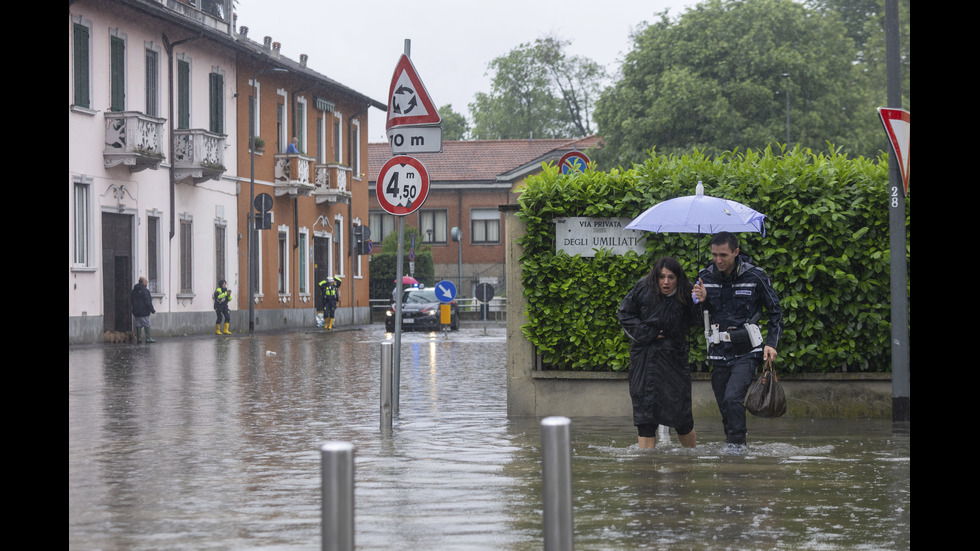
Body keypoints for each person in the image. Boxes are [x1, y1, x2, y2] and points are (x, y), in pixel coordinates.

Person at [692, 232, 783, 452]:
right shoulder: (704, 277)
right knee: (724, 402)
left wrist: (772, 343)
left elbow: (775, 312)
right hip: (717, 350)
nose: (718, 260)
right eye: (714, 255)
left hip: (746, 350)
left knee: (733, 397)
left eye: (723, 255)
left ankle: (737, 448)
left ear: (736, 252)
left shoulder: (755, 276)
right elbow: (696, 319)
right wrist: (700, 302)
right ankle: (731, 444)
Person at [618, 257, 699, 449]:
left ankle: (690, 461)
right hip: (644, 358)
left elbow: (697, 322)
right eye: (662, 277)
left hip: (674, 359)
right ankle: (647, 470)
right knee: (645, 418)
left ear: (678, 278)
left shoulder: (688, 292)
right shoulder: (642, 288)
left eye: (671, 277)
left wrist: (700, 301)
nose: (666, 282)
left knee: (682, 417)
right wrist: (650, 333)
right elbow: (625, 314)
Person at [131, 276, 156, 343]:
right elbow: (148, 301)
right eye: (146, 282)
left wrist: (135, 308)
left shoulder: (134, 290)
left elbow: (132, 300)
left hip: (136, 311)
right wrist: (152, 310)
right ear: (143, 282)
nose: (147, 283)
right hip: (144, 311)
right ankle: (148, 338)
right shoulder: (145, 291)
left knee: (138, 324)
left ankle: (139, 338)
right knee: (146, 324)